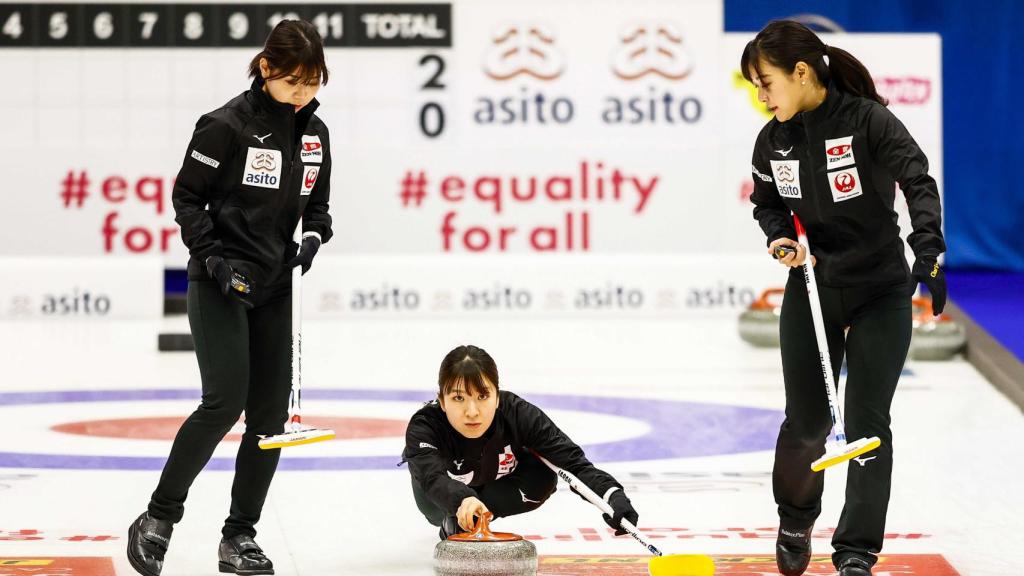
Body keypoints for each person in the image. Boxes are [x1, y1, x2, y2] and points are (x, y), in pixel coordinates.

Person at [127, 19, 333, 576]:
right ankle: (157, 519)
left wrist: (312, 238)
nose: (302, 95)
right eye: (293, 82)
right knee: (224, 402)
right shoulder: (223, 126)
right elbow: (186, 197)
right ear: (265, 68)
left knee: (268, 420)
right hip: (219, 281)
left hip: (275, 286)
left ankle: (239, 537)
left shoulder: (315, 134)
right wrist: (214, 260)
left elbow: (317, 206)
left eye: (313, 84)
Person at [742, 20, 946, 576]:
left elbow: (917, 178)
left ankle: (856, 549)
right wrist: (780, 234)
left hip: (881, 289)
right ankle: (796, 517)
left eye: (766, 83)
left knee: (866, 423)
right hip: (813, 290)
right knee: (806, 423)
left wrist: (927, 244)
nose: (762, 97)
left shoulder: (869, 121)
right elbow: (766, 201)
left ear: (801, 73)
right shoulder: (773, 138)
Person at [403, 345, 639, 540]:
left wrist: (612, 496)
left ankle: (474, 518)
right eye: (458, 398)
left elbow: (573, 464)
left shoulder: (518, 414)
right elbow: (432, 477)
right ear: (442, 402)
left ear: (497, 397)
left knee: (544, 476)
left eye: (483, 396)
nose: (472, 411)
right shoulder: (425, 426)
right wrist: (461, 499)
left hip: (497, 481)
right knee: (435, 506)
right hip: (440, 493)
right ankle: (456, 514)